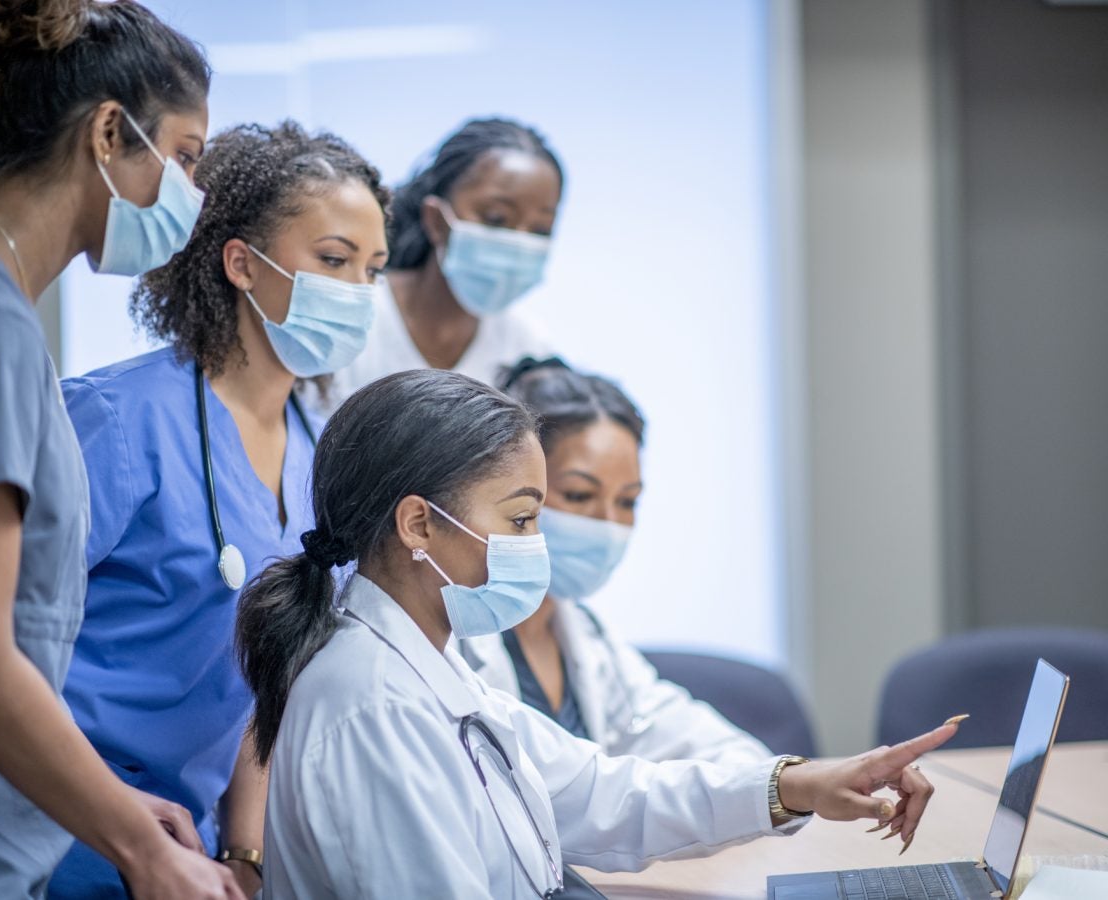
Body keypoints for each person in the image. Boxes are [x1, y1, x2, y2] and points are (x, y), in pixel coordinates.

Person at [237, 369, 962, 898]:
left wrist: (802, 784)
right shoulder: (373, 706)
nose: (536, 543)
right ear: (418, 523)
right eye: (522, 519)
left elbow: (607, 793)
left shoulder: (431, 670)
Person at [0, 1, 244, 897]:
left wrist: (122, 811)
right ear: (108, 133)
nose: (191, 194)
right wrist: (136, 850)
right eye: (183, 156)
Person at [51, 121, 390, 899]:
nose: (359, 294)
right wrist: (131, 832)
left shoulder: (319, 458)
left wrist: (243, 853)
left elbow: (269, 681)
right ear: (242, 262)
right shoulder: (116, 418)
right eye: (334, 261)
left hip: (192, 852)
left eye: (373, 271)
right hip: (57, 830)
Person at [459, 356, 772, 765]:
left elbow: (712, 748)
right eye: (578, 495)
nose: (609, 525)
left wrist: (789, 784)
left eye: (627, 502)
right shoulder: (456, 637)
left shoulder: (588, 639)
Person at [316, 117, 561, 409]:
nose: (519, 243)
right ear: (436, 220)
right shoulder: (352, 322)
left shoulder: (527, 348)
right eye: (496, 219)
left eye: (539, 230)